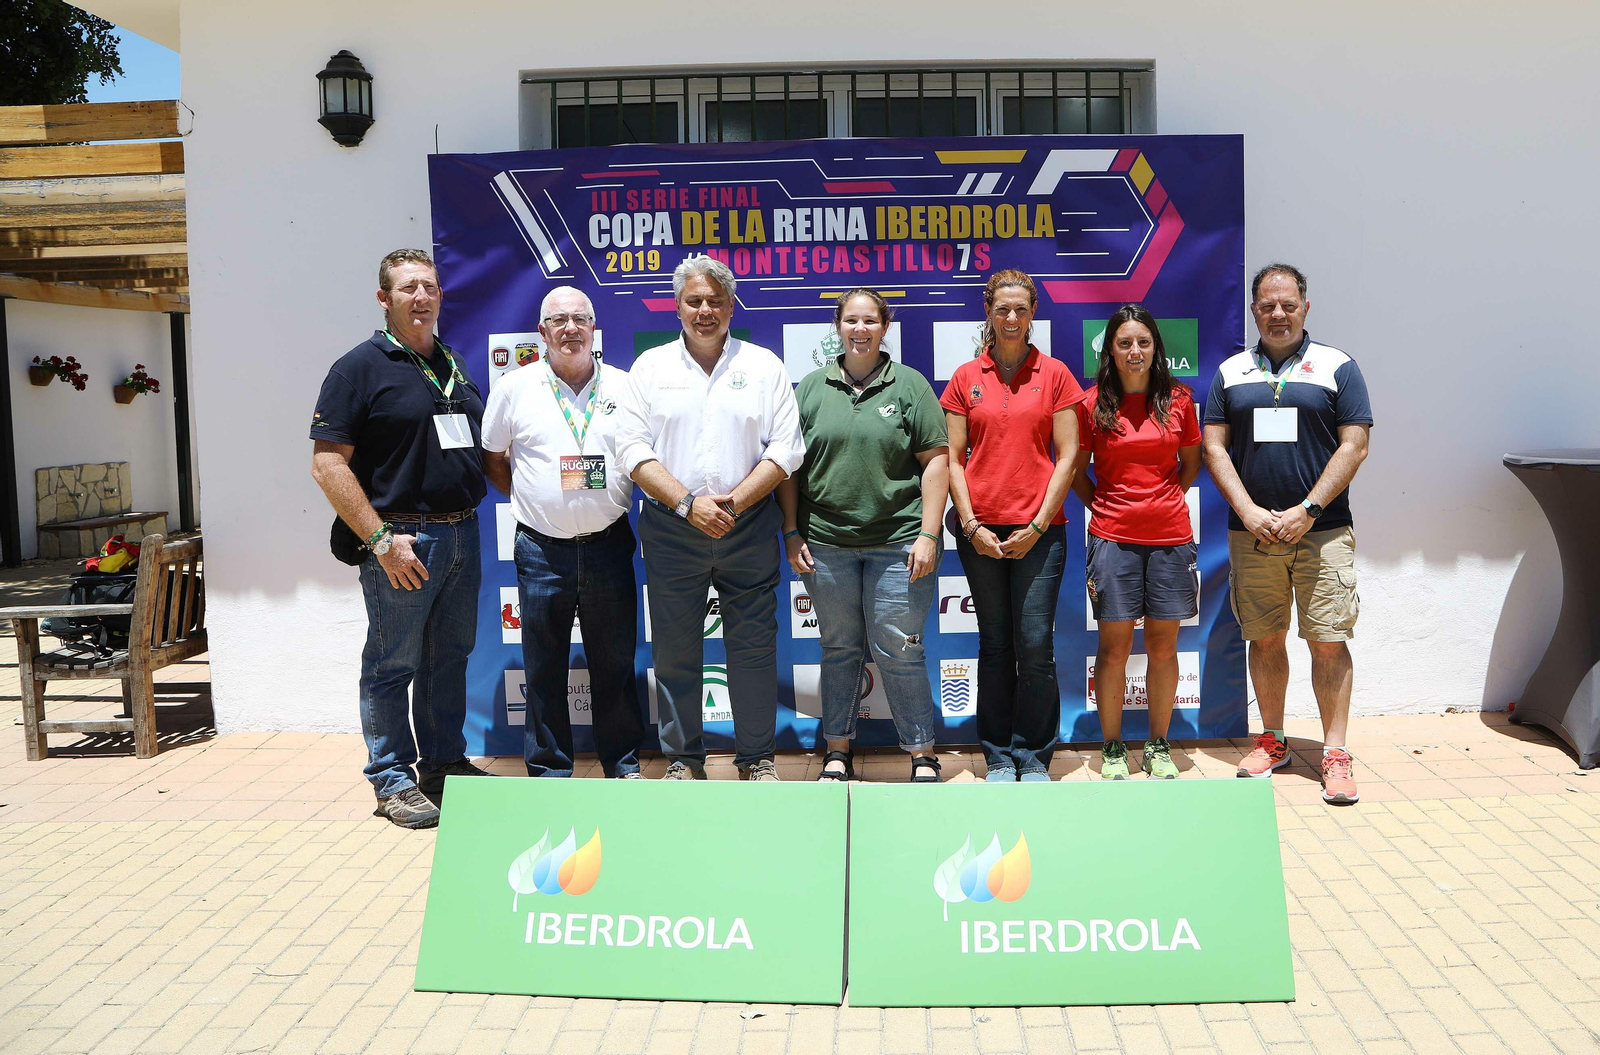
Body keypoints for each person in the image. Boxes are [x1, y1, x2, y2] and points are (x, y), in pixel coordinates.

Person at [310, 248, 491, 829]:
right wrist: (382, 538)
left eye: (430, 287)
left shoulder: (453, 366)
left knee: (449, 660)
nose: (422, 297)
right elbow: (328, 465)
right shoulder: (356, 369)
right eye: (409, 287)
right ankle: (392, 780)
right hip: (404, 543)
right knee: (392, 663)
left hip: (463, 534)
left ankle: (444, 765)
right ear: (384, 298)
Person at [615, 256, 805, 781]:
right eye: (694, 301)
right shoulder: (650, 369)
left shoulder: (763, 365)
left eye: (715, 301)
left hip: (748, 527)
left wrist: (736, 504)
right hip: (672, 527)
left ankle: (757, 758)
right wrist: (685, 503)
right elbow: (631, 449)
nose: (705, 310)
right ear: (677, 307)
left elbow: (786, 449)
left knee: (753, 648)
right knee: (676, 651)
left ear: (731, 305)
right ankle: (683, 759)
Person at [1201, 263, 1372, 804]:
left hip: (1322, 532)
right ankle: (1271, 740)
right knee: (1265, 638)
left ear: (1305, 306)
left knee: (1327, 640)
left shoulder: (1338, 367)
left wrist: (1309, 508)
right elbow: (1213, 447)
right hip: (1253, 535)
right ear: (1254, 309)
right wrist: (1250, 511)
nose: (1278, 314)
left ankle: (1335, 753)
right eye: (1267, 305)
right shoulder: (1231, 372)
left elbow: (1355, 445)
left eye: (1288, 304)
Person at [778, 289, 951, 783]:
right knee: (838, 648)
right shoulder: (811, 388)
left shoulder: (911, 387)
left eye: (870, 321)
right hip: (826, 544)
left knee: (900, 647)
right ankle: (837, 750)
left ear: (884, 327)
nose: (860, 329)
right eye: (851, 320)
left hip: (899, 543)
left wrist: (930, 535)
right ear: (837, 326)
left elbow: (937, 463)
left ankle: (921, 752)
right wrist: (791, 531)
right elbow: (788, 470)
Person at [481, 286, 646, 780]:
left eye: (580, 318)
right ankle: (550, 772)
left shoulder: (625, 385)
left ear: (595, 328)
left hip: (609, 545)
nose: (570, 328)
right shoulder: (514, 387)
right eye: (558, 320)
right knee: (544, 668)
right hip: (539, 549)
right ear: (542, 332)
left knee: (615, 665)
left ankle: (622, 765)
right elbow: (492, 457)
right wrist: (533, 501)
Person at [940, 269, 1084, 782]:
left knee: (1035, 645)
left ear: (1033, 313)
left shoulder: (1056, 374)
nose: (1011, 318)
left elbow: (1068, 456)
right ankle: (998, 754)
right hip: (979, 531)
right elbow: (953, 459)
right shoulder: (965, 377)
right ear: (988, 309)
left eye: (1021, 309)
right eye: (1002, 308)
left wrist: (1039, 525)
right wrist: (972, 524)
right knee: (995, 645)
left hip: (1039, 533)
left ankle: (1034, 754)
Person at [1072, 305, 1202, 781]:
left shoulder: (1181, 400)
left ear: (1156, 348)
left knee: (1164, 648)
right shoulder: (1091, 405)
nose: (1135, 352)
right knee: (1113, 648)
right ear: (1110, 348)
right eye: (1125, 343)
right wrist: (1108, 506)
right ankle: (1111, 748)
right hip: (1112, 539)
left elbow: (1190, 465)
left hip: (1171, 538)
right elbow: (1075, 471)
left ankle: (1158, 746)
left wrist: (1161, 501)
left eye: (1143, 343)